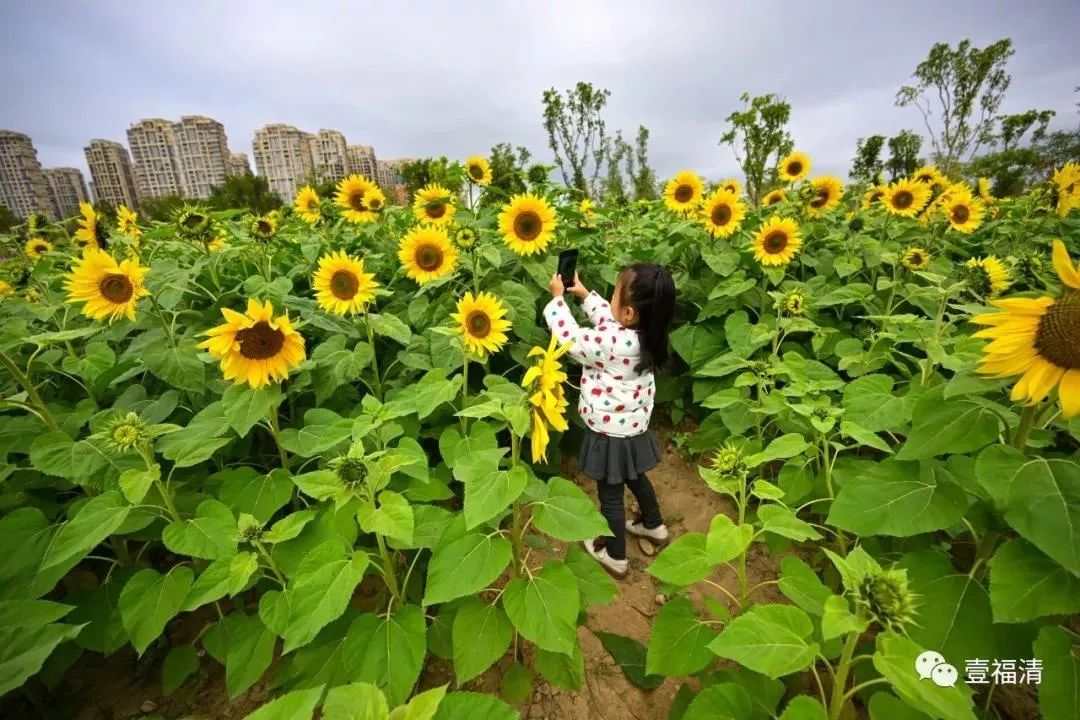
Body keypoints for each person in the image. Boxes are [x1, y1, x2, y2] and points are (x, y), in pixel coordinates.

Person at [544, 262, 677, 577]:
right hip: (634, 428)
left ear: (629, 313)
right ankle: (654, 525)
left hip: (609, 434)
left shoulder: (610, 344)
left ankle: (614, 555)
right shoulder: (647, 335)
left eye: (614, 295)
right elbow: (610, 320)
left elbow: (571, 339)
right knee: (636, 477)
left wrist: (557, 301)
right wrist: (584, 294)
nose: (610, 301)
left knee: (610, 496)